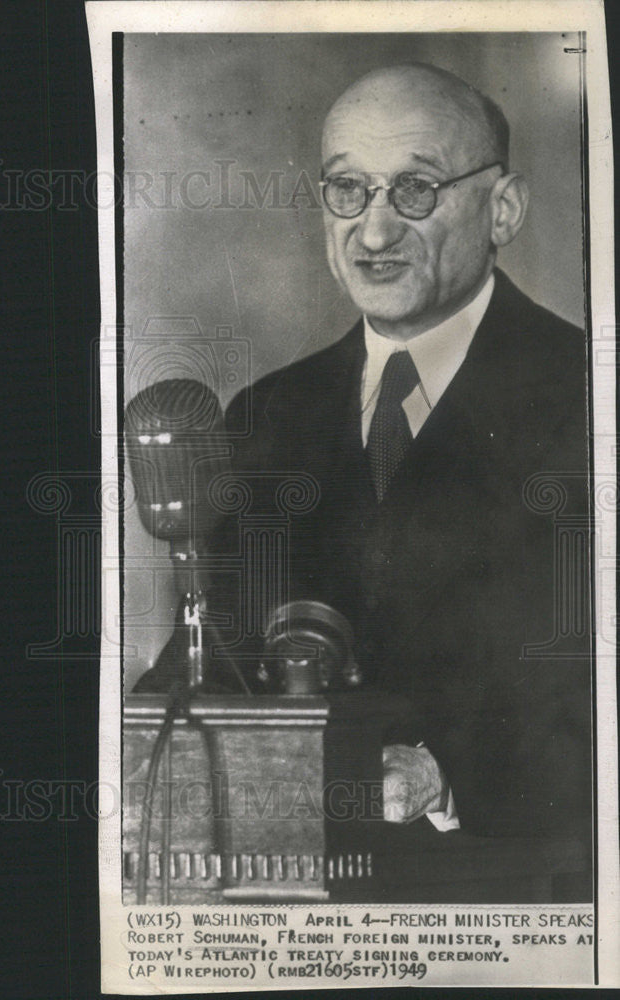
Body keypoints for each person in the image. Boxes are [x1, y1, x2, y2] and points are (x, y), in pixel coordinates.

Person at [134, 64, 591, 852]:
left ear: (504, 208)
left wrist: (442, 776)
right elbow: (209, 656)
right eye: (348, 191)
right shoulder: (266, 414)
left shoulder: (591, 399)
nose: (373, 234)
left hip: (510, 885)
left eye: (415, 189)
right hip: (290, 887)